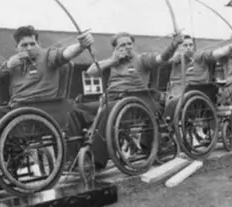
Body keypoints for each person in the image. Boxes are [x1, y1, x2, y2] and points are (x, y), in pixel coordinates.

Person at [0, 25, 94, 191]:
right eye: (24, 45)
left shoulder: (48, 56)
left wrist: (80, 46)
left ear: (38, 44)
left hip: (41, 112)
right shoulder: (13, 62)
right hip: (16, 111)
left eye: (32, 43)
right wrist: (7, 66)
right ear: (17, 48)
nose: (29, 48)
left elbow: (65, 54)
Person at [76, 31, 183, 169]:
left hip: (133, 103)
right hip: (111, 101)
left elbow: (161, 58)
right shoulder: (112, 62)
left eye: (129, 44)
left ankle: (96, 161)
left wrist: (174, 45)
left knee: (107, 110)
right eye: (122, 45)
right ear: (116, 49)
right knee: (77, 110)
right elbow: (91, 71)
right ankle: (73, 158)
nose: (127, 47)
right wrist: (113, 60)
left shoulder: (142, 59)